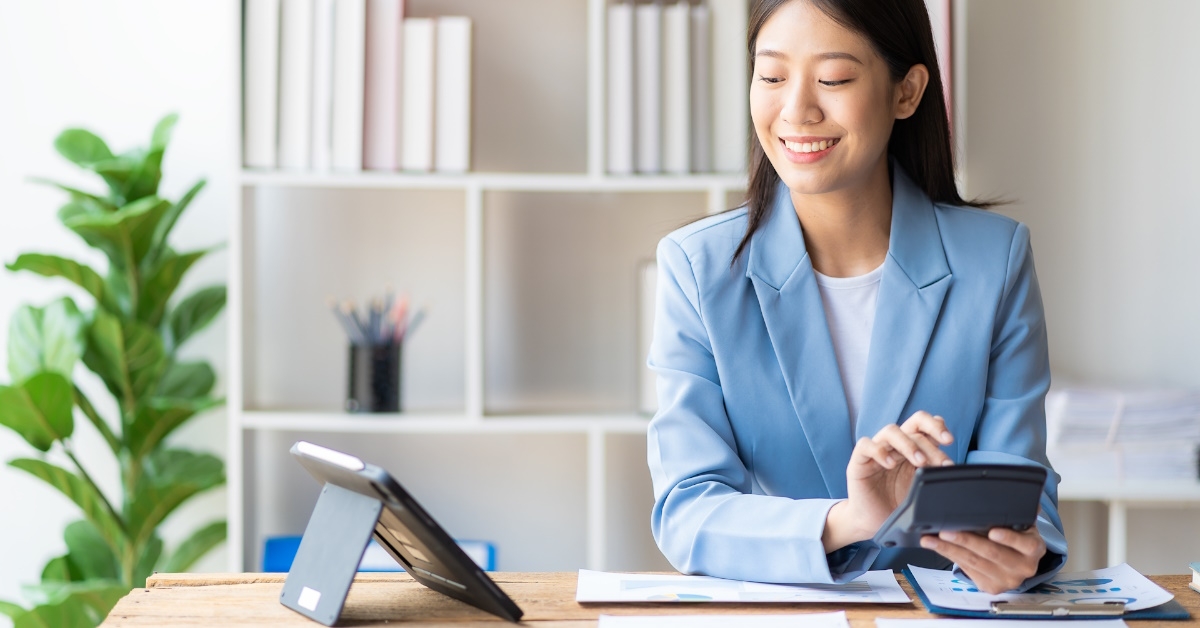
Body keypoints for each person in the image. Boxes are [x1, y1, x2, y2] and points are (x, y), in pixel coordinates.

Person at [646, 0, 1067, 594]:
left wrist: (1023, 549)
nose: (796, 110)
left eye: (833, 78)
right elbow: (687, 510)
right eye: (771, 77)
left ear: (907, 92)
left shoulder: (993, 260)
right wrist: (848, 520)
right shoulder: (697, 268)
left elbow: (1024, 481)